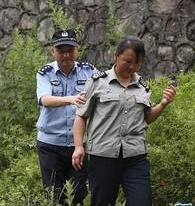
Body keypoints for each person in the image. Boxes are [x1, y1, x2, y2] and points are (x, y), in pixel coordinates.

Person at [71, 36, 177, 206]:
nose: (132, 66)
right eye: (128, 61)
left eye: (137, 62)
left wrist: (163, 104)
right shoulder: (97, 82)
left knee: (141, 201)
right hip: (103, 156)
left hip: (135, 156)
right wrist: (78, 146)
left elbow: (146, 118)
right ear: (116, 56)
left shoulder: (142, 87)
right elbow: (81, 116)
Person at [36, 29, 98, 205]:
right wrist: (71, 99)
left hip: (78, 144)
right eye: (61, 50)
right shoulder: (44, 73)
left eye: (70, 50)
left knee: (79, 193)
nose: (66, 55)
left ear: (77, 50)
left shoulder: (89, 70)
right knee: (54, 195)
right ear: (53, 51)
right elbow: (45, 100)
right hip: (50, 144)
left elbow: (106, 86)